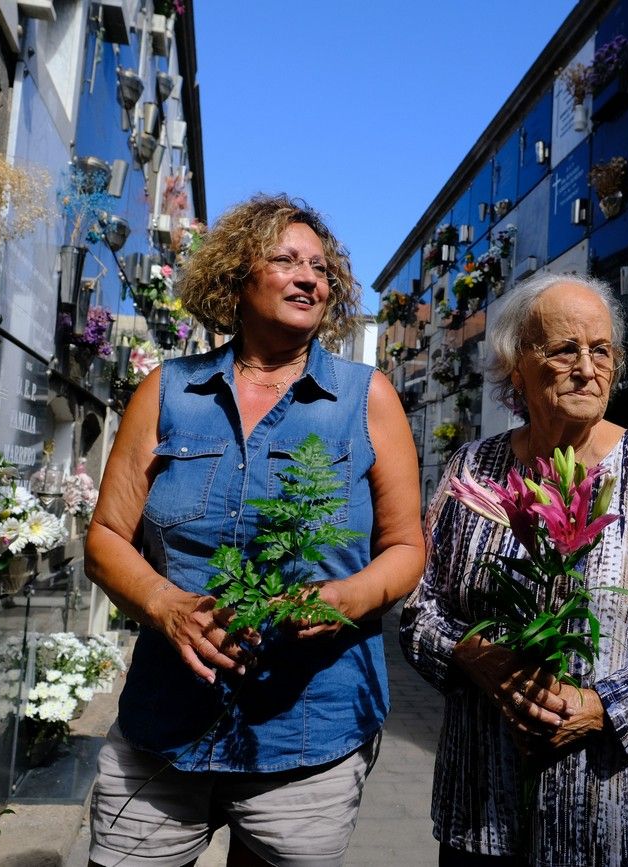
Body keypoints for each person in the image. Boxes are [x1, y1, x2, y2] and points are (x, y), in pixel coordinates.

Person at [86, 194, 425, 867]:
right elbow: (104, 538)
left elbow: (408, 547)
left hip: (307, 737)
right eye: (286, 261)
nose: (310, 278)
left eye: (322, 269)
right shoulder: (168, 391)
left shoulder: (368, 398)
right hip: (166, 729)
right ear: (237, 277)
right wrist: (167, 606)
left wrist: (349, 599)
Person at [400, 272, 628, 866]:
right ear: (516, 366)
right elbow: (421, 611)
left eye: (601, 350)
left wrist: (603, 708)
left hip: (616, 814)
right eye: (563, 349)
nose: (587, 366)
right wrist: (477, 657)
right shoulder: (474, 468)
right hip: (485, 810)